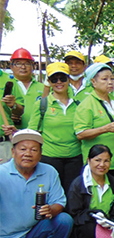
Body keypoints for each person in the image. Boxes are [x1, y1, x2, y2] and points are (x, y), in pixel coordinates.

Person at [0, 129, 73, 238]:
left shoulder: (49, 171)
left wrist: (51, 210)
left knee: (63, 220)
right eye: (23, 149)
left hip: (34, 228)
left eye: (34, 150)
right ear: (13, 152)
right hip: (6, 236)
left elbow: (60, 201)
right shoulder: (2, 173)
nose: (28, 153)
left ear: (40, 154)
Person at [74, 63, 114, 184]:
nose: (110, 82)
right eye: (104, 79)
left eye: (112, 78)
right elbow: (80, 134)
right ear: (93, 82)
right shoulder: (86, 105)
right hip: (97, 164)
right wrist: (105, 128)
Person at [28, 62, 83, 196]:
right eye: (54, 79)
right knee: (49, 195)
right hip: (49, 158)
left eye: (62, 78)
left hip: (75, 158)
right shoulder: (42, 104)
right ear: (49, 82)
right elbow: (32, 132)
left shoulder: (79, 105)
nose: (59, 82)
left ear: (69, 79)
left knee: (72, 195)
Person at [8, 48, 44, 129]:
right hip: (11, 134)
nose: (23, 67)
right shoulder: (6, 86)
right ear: (11, 66)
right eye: (18, 63)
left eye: (27, 64)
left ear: (33, 66)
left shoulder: (43, 88)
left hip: (38, 133)